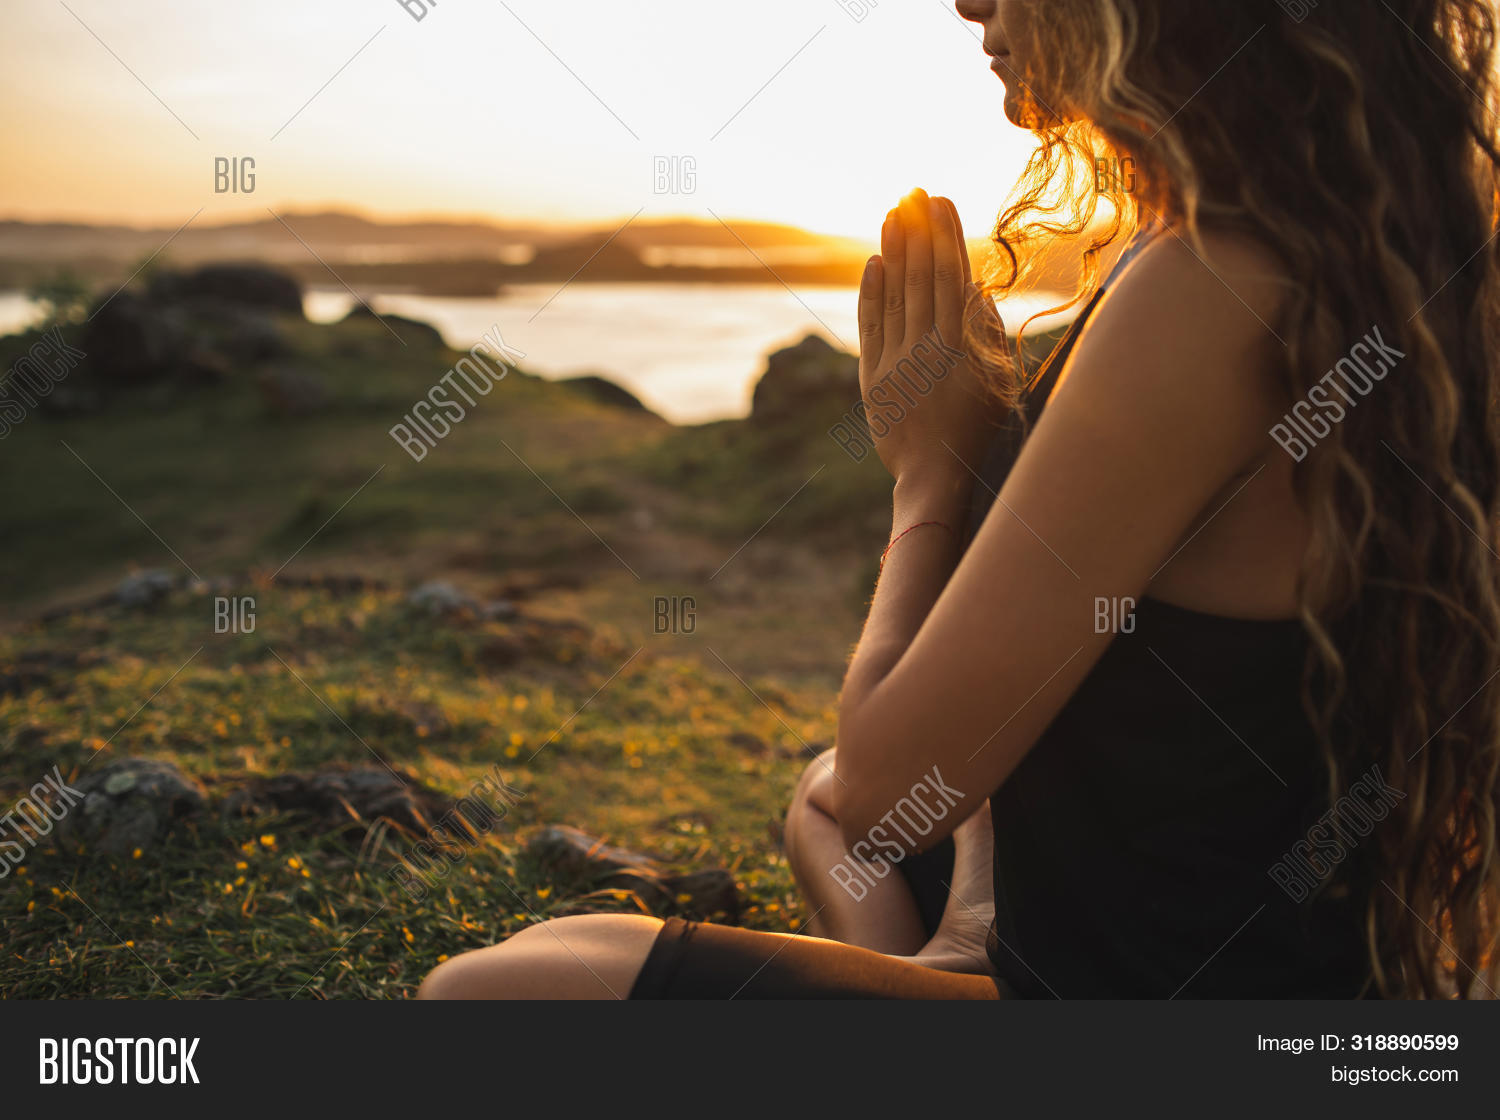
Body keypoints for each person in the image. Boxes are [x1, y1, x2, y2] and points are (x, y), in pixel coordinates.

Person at [420, 0, 1500, 999]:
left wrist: (930, 469)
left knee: (498, 990)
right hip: (1270, 979)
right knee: (817, 798)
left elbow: (895, 790)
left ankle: (957, 961)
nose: (968, 2)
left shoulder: (1207, 287)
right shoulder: (1348, 254)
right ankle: (959, 945)